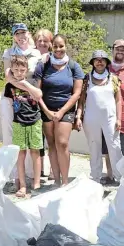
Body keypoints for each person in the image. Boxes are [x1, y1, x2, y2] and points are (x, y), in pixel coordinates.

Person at [33, 34, 84, 186]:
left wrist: (62, 111)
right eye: (55, 46)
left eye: (61, 46)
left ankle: (65, 181)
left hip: (66, 111)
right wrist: (47, 111)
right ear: (51, 47)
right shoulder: (43, 66)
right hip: (46, 110)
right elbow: (37, 91)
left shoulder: (74, 66)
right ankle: (56, 179)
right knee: (52, 143)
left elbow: (77, 93)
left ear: (66, 46)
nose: (58, 49)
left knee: (62, 143)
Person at [0, 23, 43, 188]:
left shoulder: (36, 54)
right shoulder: (8, 53)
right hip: (11, 97)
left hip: (29, 101)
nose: (21, 36)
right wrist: (27, 86)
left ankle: (30, 176)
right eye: (17, 34)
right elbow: (8, 77)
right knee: (10, 136)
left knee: (31, 141)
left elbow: (37, 76)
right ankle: (13, 177)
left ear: (28, 34)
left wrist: (28, 87)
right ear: (14, 37)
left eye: (23, 33)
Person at [76, 50, 123, 183]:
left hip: (110, 118)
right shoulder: (87, 78)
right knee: (94, 147)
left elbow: (119, 100)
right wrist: (79, 117)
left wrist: (119, 118)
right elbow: (81, 100)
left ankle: (119, 177)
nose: (100, 62)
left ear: (107, 62)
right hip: (91, 118)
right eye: (96, 59)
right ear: (93, 62)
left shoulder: (113, 79)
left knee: (115, 147)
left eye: (102, 59)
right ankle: (95, 177)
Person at [100, 39, 124, 183]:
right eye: (118, 48)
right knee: (108, 149)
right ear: (113, 50)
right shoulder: (104, 68)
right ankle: (110, 175)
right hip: (106, 117)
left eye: (123, 49)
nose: (120, 51)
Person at [4, 55, 43, 197]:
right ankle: (22, 185)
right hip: (18, 122)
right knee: (20, 154)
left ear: (27, 70)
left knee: (35, 152)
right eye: (16, 70)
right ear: (12, 70)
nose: (19, 72)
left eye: (22, 69)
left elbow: (38, 95)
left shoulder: (32, 81)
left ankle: (37, 184)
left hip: (34, 121)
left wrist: (25, 84)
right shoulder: (10, 86)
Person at [33, 28, 55, 178]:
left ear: (51, 43)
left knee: (52, 138)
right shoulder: (30, 56)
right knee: (37, 138)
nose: (42, 43)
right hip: (33, 103)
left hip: (50, 101)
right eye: (39, 41)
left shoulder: (55, 58)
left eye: (45, 41)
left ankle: (54, 169)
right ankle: (39, 169)